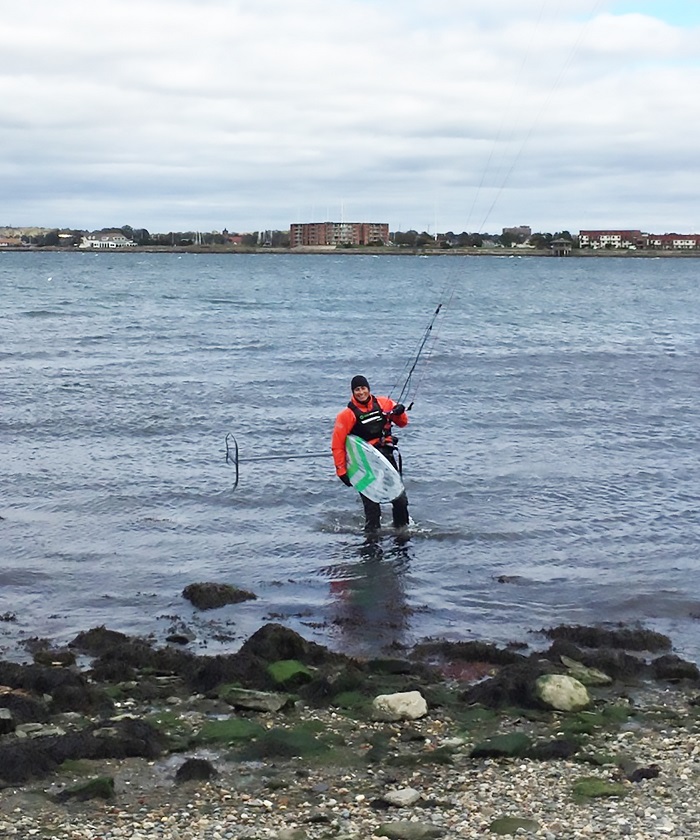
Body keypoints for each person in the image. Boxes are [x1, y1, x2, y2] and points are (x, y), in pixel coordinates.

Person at [331, 375, 410, 533]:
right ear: (353, 392)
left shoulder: (384, 403)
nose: (361, 392)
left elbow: (403, 423)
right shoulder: (346, 415)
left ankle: (402, 532)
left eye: (363, 388)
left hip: (385, 457)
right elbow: (337, 445)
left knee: (400, 500)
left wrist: (399, 412)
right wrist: (342, 471)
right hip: (363, 463)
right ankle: (371, 543)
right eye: (357, 390)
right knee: (372, 507)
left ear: (368, 389)